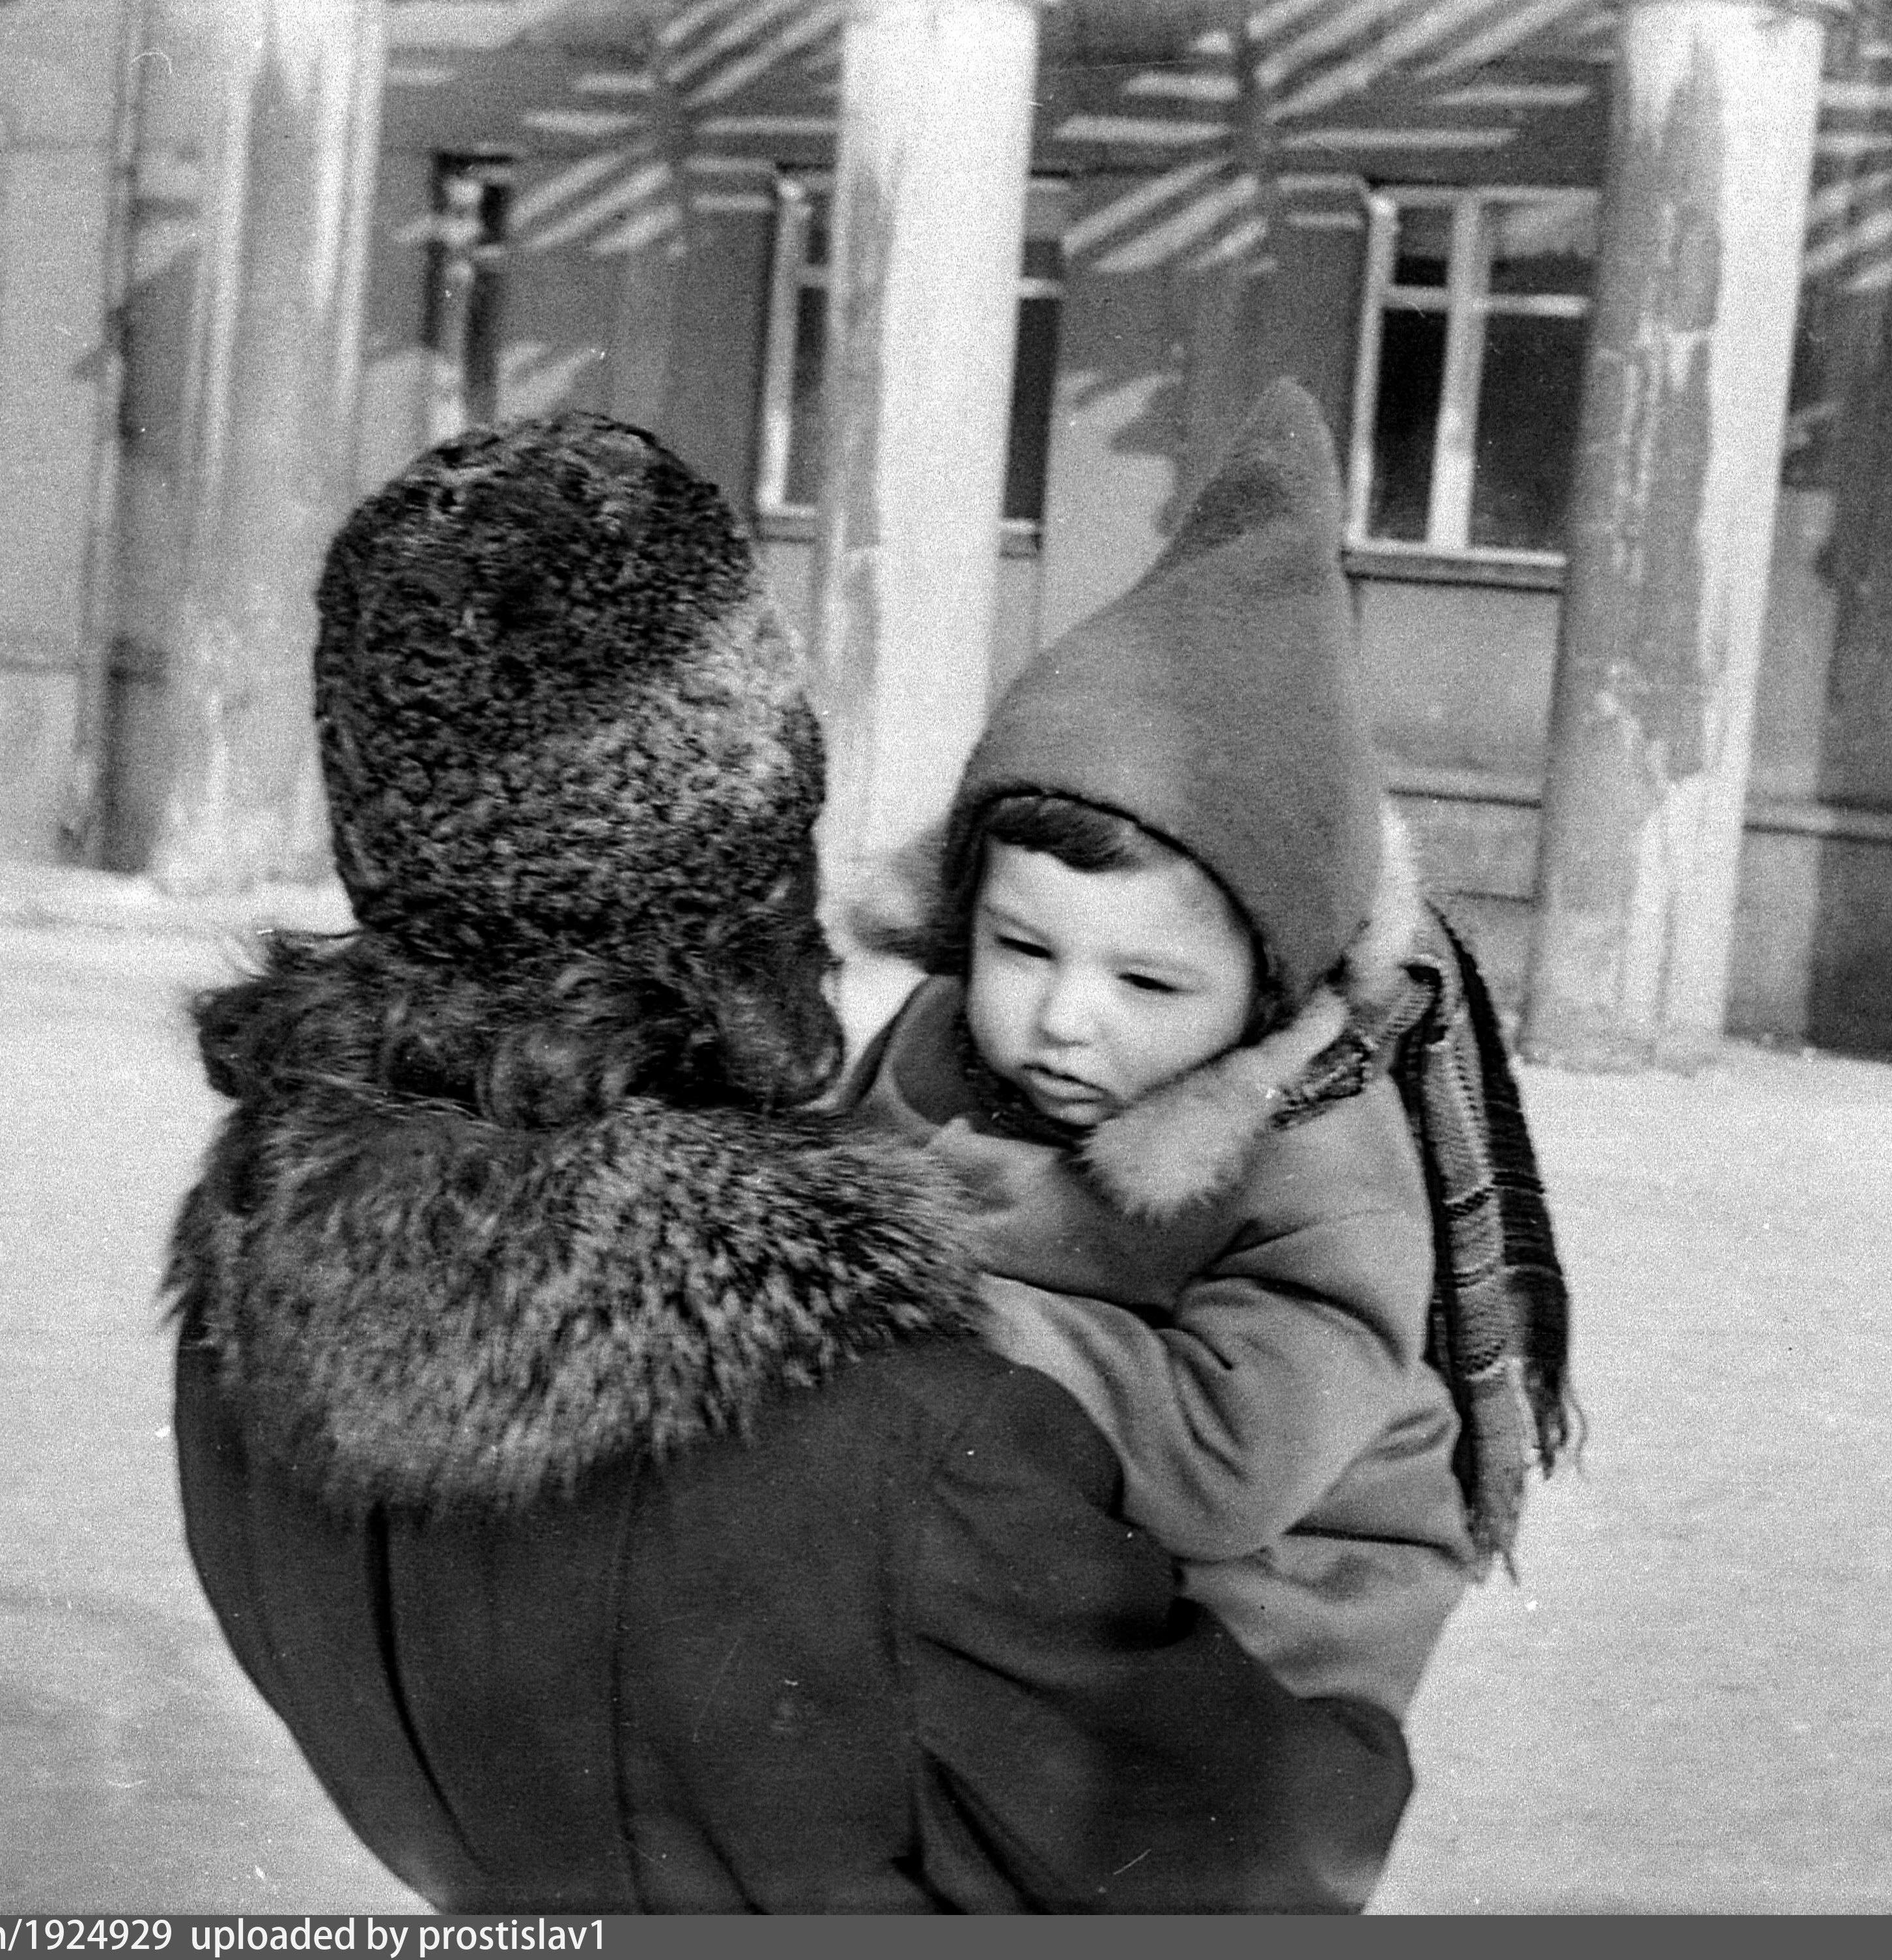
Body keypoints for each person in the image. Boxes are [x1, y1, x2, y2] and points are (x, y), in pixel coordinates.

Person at [164, 410, 1413, 1914]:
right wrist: (1364, 1585)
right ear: (755, 859)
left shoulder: (245, 1300)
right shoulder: (905, 1439)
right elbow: (1260, 1860)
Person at [845, 381, 1574, 1723]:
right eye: (1021, 947)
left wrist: (901, 1298)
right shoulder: (942, 1041)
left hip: (1256, 1653)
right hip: (1033, 1535)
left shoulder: (1319, 1159)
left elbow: (1221, 1460)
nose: (1065, 1017)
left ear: (1266, 988)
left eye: (1146, 980)